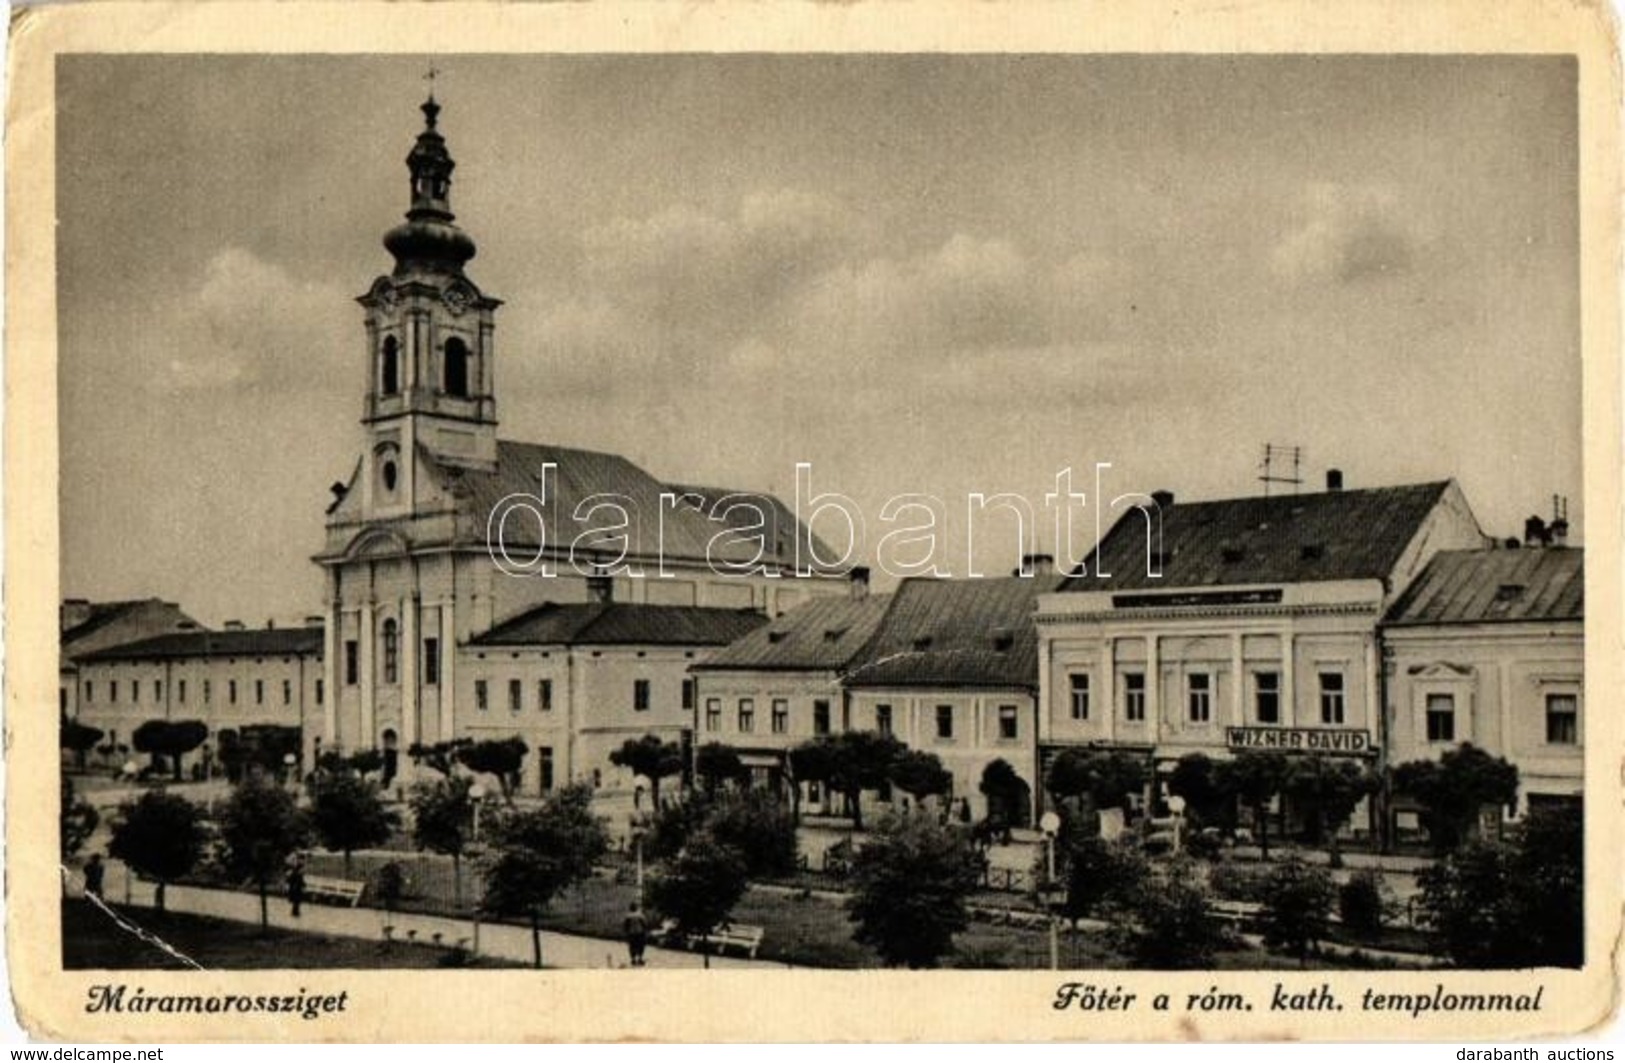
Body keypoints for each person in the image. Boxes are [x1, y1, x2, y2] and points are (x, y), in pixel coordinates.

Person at [623, 903, 648, 967]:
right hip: (640, 933)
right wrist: (645, 931)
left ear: (630, 908)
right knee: (641, 946)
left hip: (631, 934)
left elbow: (626, 926)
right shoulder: (640, 915)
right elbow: (644, 924)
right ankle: (640, 959)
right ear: (636, 908)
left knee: (632, 946)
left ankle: (633, 959)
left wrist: (626, 933)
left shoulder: (628, 916)